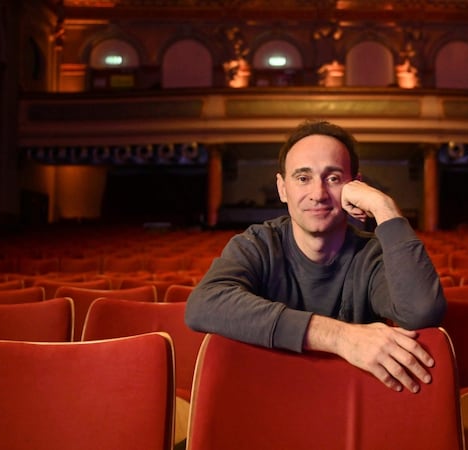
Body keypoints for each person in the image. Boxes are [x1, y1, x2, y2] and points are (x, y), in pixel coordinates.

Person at [185, 119, 447, 393]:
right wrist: (339, 336)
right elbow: (204, 304)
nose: (318, 194)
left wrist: (385, 208)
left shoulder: (372, 255)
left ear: (356, 187)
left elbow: (423, 312)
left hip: (354, 401)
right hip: (269, 398)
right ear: (282, 188)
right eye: (302, 178)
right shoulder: (259, 244)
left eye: (333, 178)